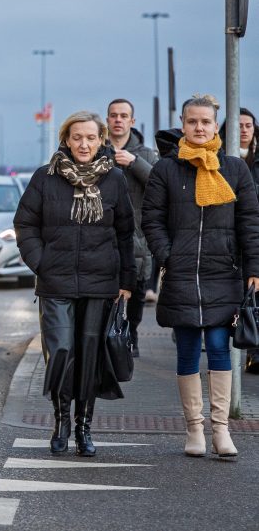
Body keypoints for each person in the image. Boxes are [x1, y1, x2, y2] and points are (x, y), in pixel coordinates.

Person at [142, 94, 259, 458]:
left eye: (205, 122)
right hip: (181, 274)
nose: (199, 128)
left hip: (223, 272)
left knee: (221, 347)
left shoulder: (235, 169)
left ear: (215, 125)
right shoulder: (166, 169)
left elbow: (250, 223)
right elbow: (152, 219)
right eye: (192, 122)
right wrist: (168, 255)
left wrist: (254, 268)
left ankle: (221, 430)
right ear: (183, 123)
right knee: (189, 349)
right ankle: (194, 430)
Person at [14, 111, 135, 457]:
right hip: (56, 283)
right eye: (77, 137)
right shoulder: (45, 177)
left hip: (101, 284)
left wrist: (127, 279)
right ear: (66, 140)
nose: (84, 144)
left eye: (91, 138)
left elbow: (126, 233)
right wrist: (42, 263)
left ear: (101, 141)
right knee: (62, 351)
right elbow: (25, 225)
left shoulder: (113, 180)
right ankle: (61, 419)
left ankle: (84, 426)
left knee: (89, 357)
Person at [106, 98, 159, 357]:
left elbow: (160, 186)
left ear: (132, 121)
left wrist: (134, 162)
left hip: (138, 236)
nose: (118, 120)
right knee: (108, 289)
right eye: (114, 115)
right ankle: (109, 335)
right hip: (105, 235)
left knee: (137, 292)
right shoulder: (97, 150)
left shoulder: (146, 153)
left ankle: (133, 333)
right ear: (107, 120)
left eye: (123, 115)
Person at [221, 107, 259, 374]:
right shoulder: (223, 161)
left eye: (248, 125)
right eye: (238, 126)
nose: (243, 130)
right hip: (230, 240)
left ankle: (254, 352)